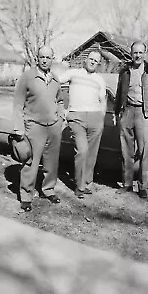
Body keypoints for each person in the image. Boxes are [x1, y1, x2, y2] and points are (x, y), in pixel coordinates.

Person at [13, 45, 65, 212]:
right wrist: (19, 128)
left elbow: (60, 101)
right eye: (41, 57)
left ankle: (48, 190)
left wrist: (61, 118)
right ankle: (26, 196)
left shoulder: (56, 78)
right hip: (34, 125)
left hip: (53, 126)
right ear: (37, 58)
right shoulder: (27, 77)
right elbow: (18, 104)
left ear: (52, 59)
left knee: (52, 162)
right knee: (30, 163)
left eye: (48, 57)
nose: (44, 60)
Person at [114, 41, 148, 199]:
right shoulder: (124, 71)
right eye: (134, 53)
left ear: (145, 54)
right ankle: (127, 184)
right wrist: (117, 112)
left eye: (140, 52)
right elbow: (119, 93)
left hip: (146, 113)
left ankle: (143, 186)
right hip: (127, 112)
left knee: (144, 151)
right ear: (131, 54)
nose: (137, 55)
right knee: (126, 151)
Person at [58, 51, 106, 199]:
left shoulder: (99, 79)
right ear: (85, 60)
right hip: (76, 117)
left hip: (95, 118)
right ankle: (79, 186)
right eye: (90, 59)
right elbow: (55, 81)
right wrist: (63, 110)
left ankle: (87, 183)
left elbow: (103, 101)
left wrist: (101, 118)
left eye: (96, 61)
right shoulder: (73, 73)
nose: (92, 62)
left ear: (98, 64)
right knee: (82, 151)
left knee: (91, 154)